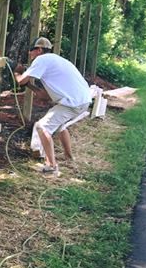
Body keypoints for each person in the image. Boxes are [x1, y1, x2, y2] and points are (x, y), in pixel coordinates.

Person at [14, 36, 92, 175]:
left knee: (41, 126)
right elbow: (43, 95)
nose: (30, 54)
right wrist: (30, 85)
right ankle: (69, 157)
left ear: (38, 50)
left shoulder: (41, 59)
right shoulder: (56, 60)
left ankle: (51, 166)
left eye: (31, 51)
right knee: (60, 125)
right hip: (82, 100)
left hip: (73, 103)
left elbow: (20, 81)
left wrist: (16, 72)